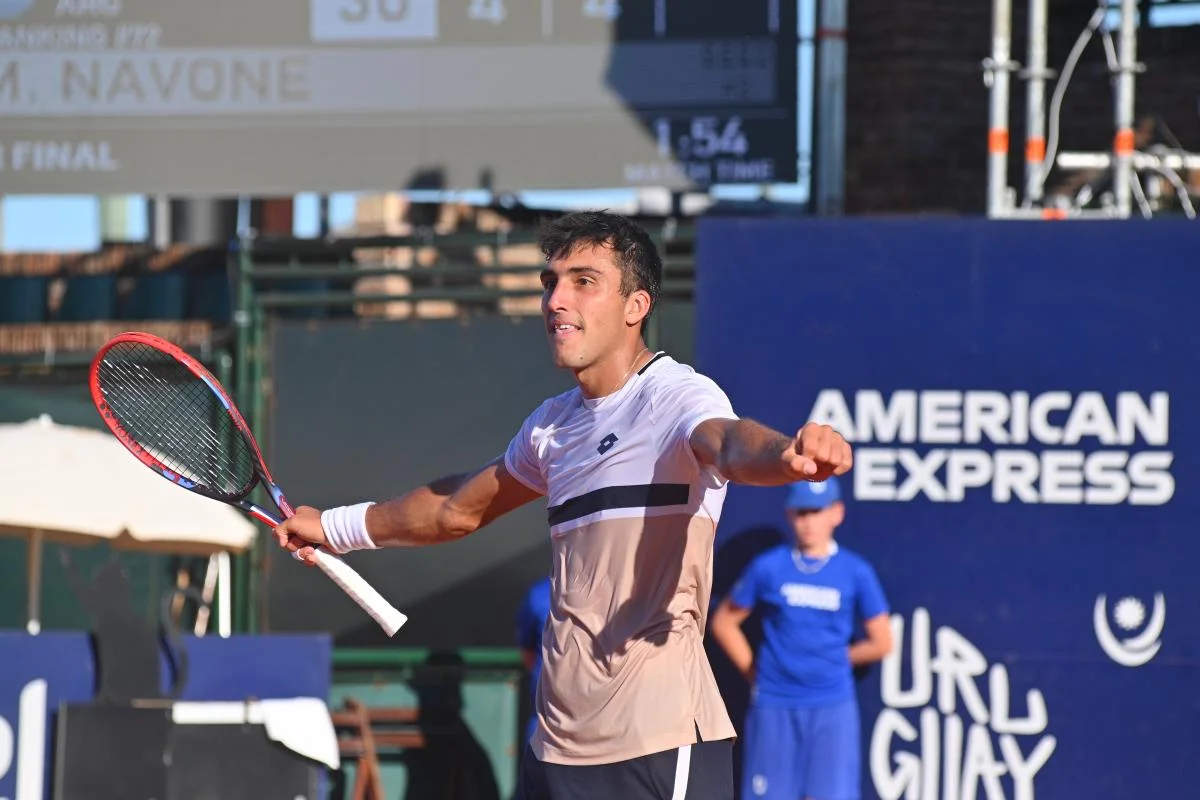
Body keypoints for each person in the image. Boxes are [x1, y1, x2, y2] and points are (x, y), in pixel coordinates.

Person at [273, 210, 853, 800]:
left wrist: (787, 454)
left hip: (657, 740)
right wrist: (333, 527)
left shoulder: (677, 395)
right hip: (554, 750)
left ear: (636, 306)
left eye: (583, 281)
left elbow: (728, 443)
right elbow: (456, 509)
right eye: (550, 282)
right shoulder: (549, 429)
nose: (555, 300)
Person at [709, 476, 892, 800]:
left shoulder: (856, 572)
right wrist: (755, 671)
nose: (808, 521)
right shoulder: (768, 567)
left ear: (836, 513)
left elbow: (882, 641)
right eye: (801, 512)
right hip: (774, 704)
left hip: (832, 705)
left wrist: (834, 659)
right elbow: (724, 622)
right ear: (789, 514)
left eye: (816, 511)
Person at [516, 574, 552, 743]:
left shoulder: (614, 590)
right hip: (545, 722)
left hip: (602, 724)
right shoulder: (539, 594)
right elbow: (527, 652)